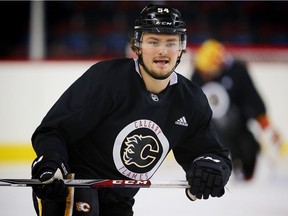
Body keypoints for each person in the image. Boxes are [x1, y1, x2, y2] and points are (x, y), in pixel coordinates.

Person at [30, 5, 232, 216]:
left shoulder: (190, 101)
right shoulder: (106, 80)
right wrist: (51, 162)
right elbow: (53, 130)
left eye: (171, 43)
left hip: (119, 197)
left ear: (181, 48)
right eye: (153, 42)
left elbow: (213, 153)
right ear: (137, 46)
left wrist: (211, 168)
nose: (163, 50)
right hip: (72, 182)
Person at [191, 39, 280, 181]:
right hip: (211, 131)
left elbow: (252, 100)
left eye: (208, 69)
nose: (204, 74)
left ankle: (244, 170)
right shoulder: (198, 75)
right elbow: (191, 104)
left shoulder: (238, 73)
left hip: (239, 128)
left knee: (247, 148)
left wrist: (267, 126)